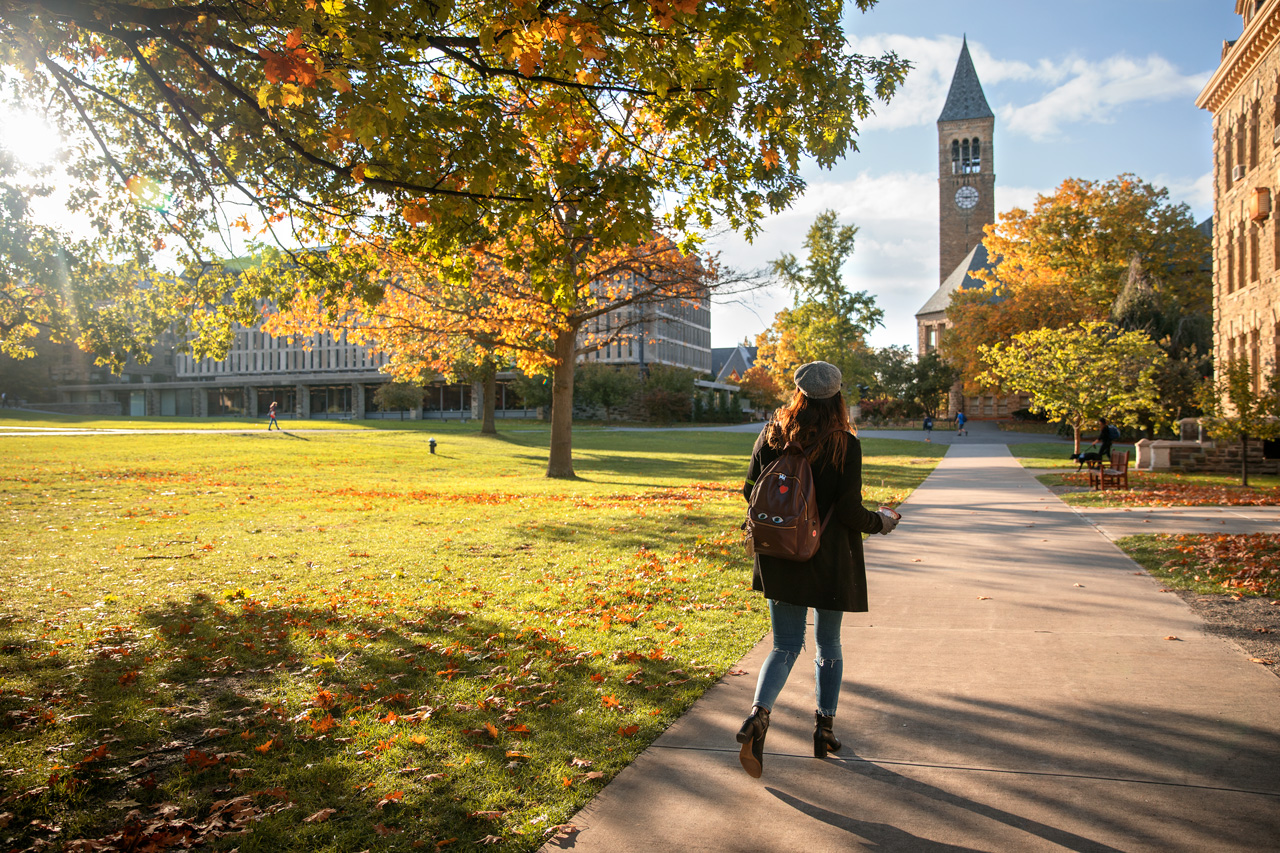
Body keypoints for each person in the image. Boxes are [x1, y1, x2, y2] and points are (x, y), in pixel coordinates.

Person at [736, 361, 900, 779]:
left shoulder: (773, 432)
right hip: (827, 559)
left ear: (799, 393)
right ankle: (824, 729)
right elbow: (847, 511)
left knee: (785, 644)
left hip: (779, 551)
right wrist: (880, 521)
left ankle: (758, 715)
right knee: (828, 643)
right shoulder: (844, 442)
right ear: (837, 396)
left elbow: (749, 488)